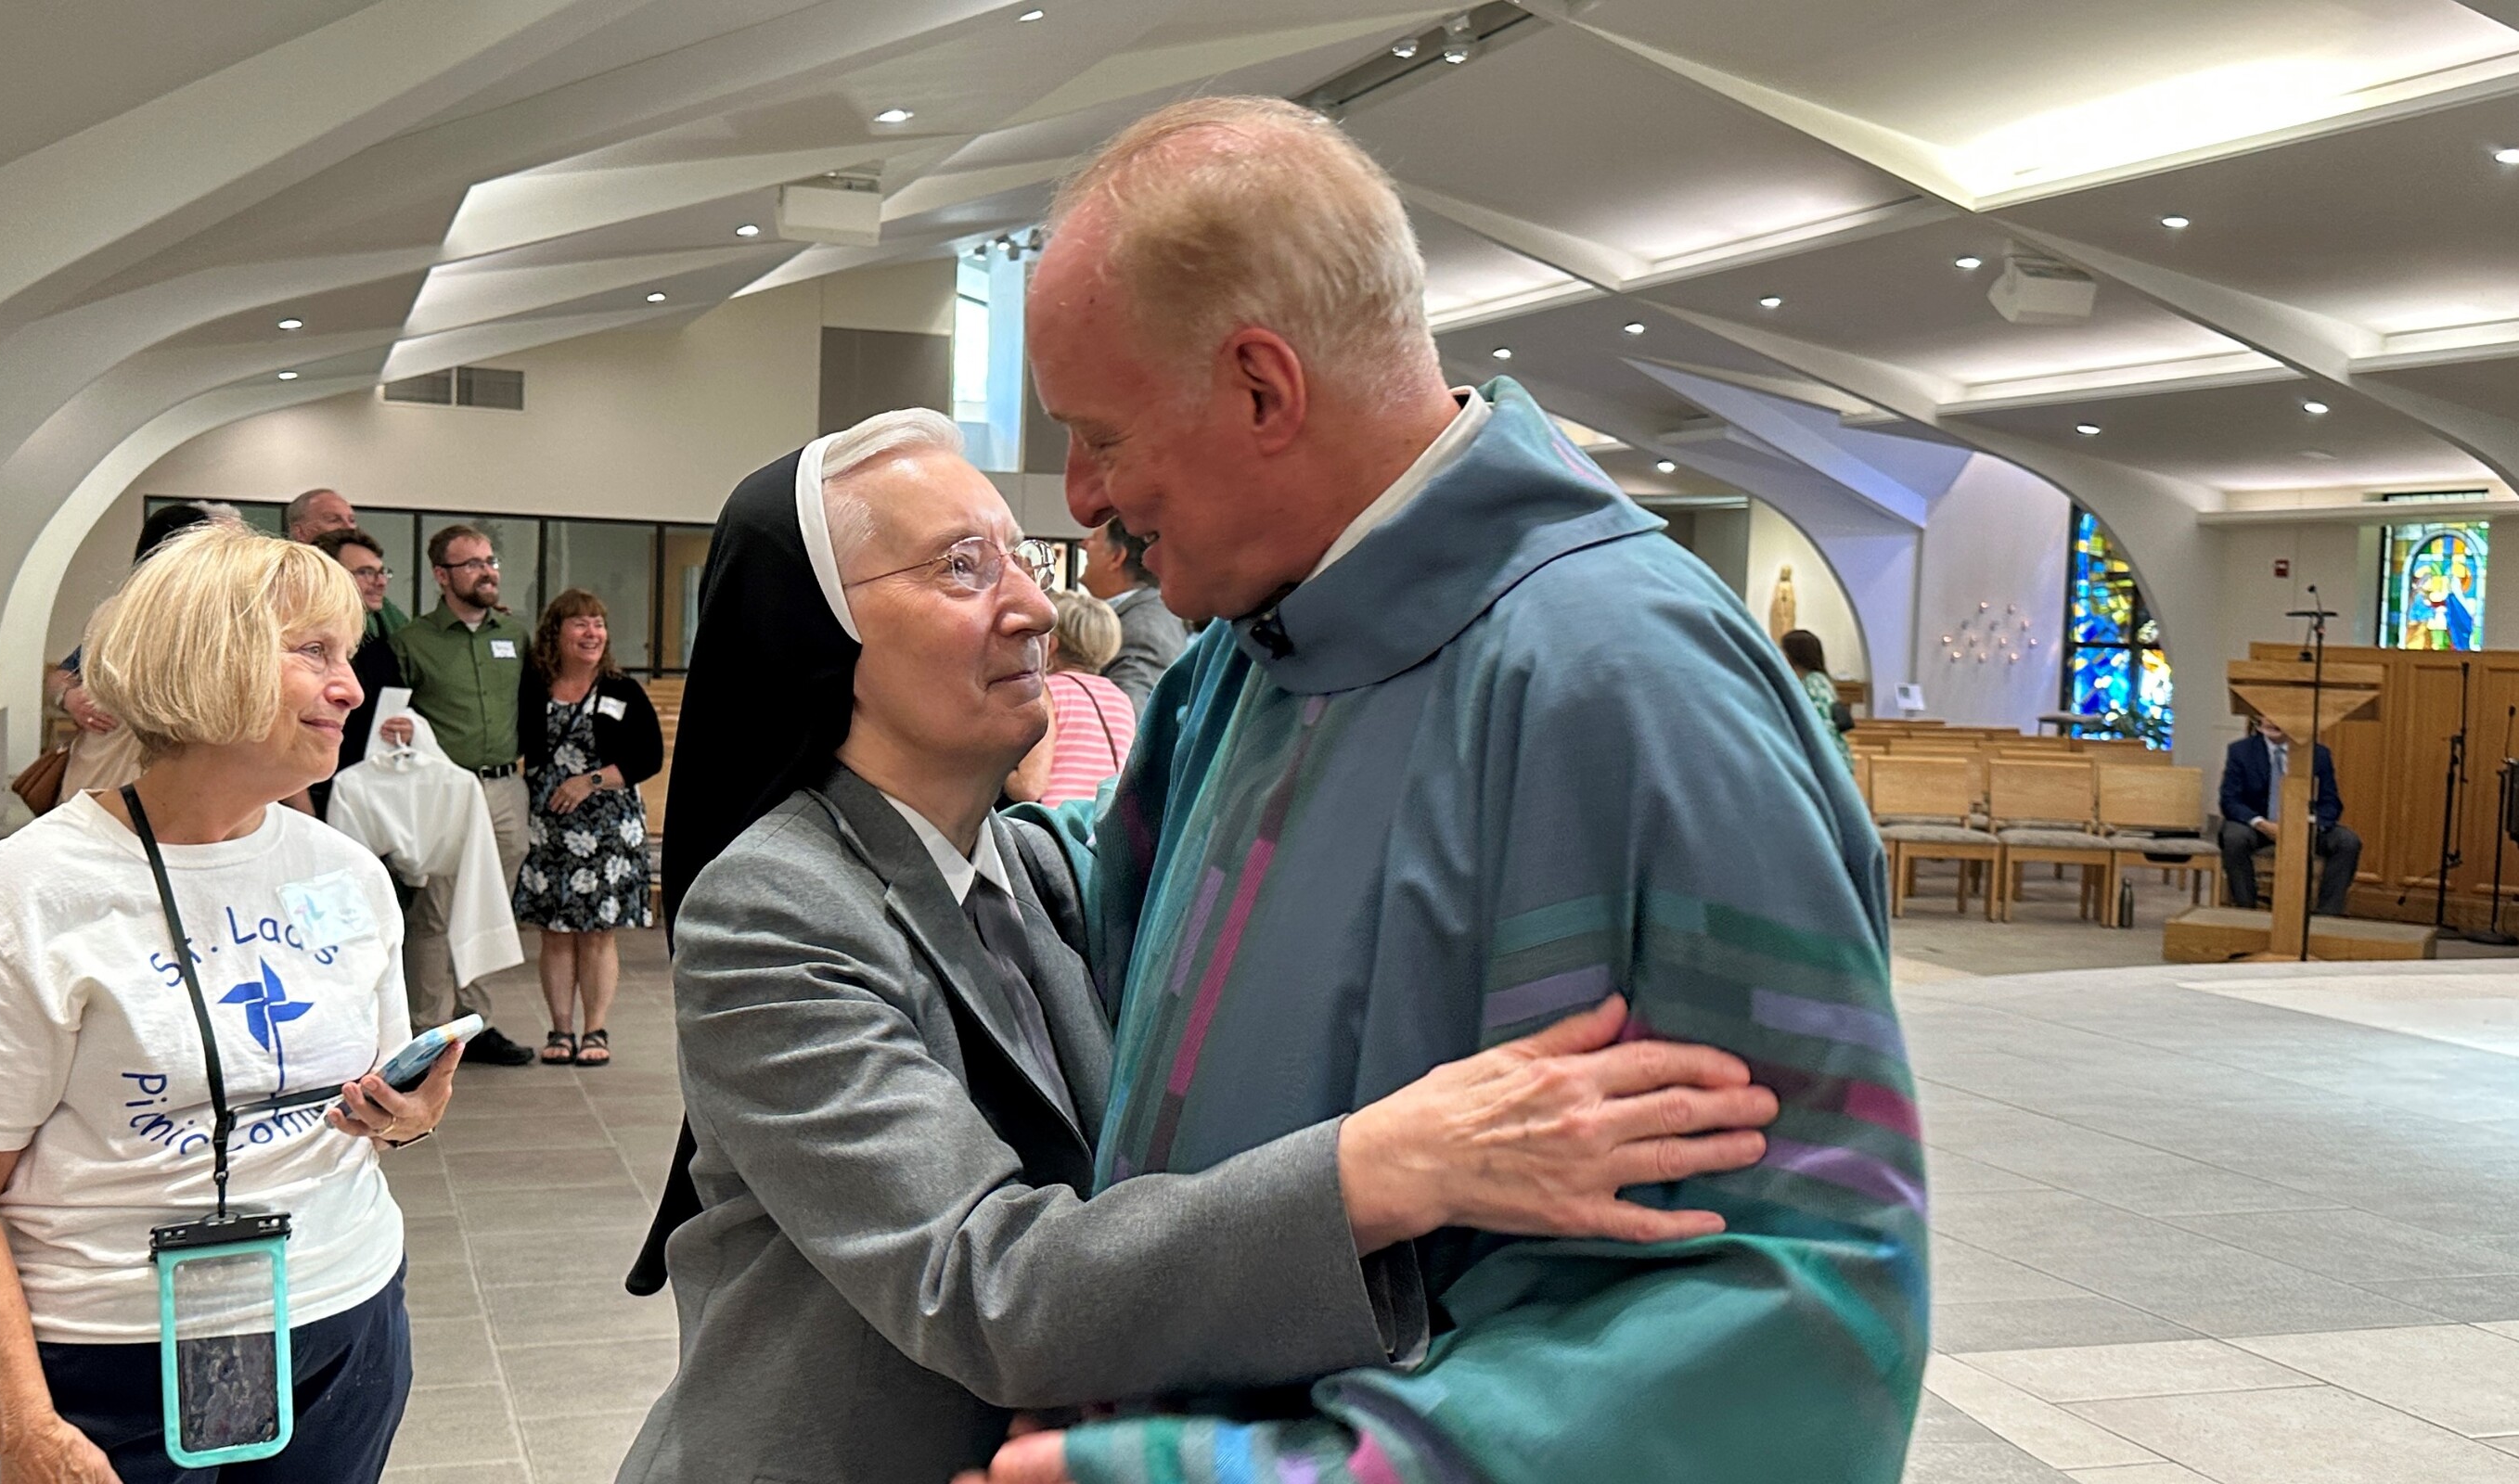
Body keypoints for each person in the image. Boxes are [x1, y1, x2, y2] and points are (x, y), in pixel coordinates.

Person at [986, 96, 1926, 1482]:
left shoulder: (1625, 681)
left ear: (1261, 388)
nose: (1080, 497)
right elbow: (1098, 916)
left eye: (1100, 435)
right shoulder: (1250, 654)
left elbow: (1789, 1309)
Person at [617, 410, 1780, 1484]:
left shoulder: (1028, 867)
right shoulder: (775, 906)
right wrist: (1391, 1165)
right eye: (960, 567)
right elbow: (985, 1284)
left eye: (1020, 558)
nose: (1031, 608)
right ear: (812, 634)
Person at [0, 523, 465, 1484]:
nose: (352, 689)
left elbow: (385, 1108)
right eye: (314, 651)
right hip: (109, 1359)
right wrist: (22, 1427)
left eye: (349, 656)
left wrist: (407, 1116)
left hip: (342, 1323)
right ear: (209, 658)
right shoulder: (42, 884)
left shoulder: (348, 874)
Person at [389, 524, 537, 1067]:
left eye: (490, 561)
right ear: (441, 575)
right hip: (443, 793)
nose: (486, 572)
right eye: (472, 563)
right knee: (435, 913)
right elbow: (391, 717)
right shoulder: (413, 641)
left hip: (504, 789)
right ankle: (428, 1033)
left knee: (488, 909)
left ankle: (475, 1024)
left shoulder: (514, 636)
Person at [512, 589, 662, 1068]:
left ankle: (595, 1029)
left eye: (598, 623)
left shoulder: (622, 689)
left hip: (608, 827)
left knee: (597, 932)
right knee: (555, 932)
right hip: (550, 826)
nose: (592, 632)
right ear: (555, 633)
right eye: (580, 623)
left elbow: (649, 757)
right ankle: (560, 1029)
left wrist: (590, 782)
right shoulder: (534, 687)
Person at [55, 501, 235, 805]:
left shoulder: (116, 610)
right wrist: (68, 697)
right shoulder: (171, 619)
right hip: (126, 777)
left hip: (104, 773)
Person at [307, 529, 414, 817]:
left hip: (369, 802)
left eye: (382, 572)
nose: (380, 582)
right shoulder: (301, 648)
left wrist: (407, 728)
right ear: (331, 575)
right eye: (366, 572)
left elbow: (394, 713)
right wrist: (303, 811)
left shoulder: (379, 650)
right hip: (314, 798)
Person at [2219, 715, 2360, 916]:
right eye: (2267, 716)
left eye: (2279, 716)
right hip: (2259, 827)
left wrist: (2305, 826)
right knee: (2234, 837)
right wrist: (2261, 824)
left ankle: (2327, 915)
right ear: (2258, 719)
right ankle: (2247, 911)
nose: (2272, 722)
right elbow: (2230, 800)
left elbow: (2330, 803)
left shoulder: (2317, 754)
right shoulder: (2241, 751)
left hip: (2304, 827)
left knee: (2348, 841)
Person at [1008, 590, 1137, 806]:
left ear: (1051, 645)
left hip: (1059, 821)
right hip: (1103, 821)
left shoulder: (1048, 692)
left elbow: (1029, 786)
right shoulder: (1121, 700)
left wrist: (996, 773)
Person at [1078, 518, 1184, 707]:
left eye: (1094, 538)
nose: (1083, 544)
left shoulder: (1144, 628)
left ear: (1117, 556)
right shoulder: (1140, 617)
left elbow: (1133, 710)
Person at [288, 491, 406, 640]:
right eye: (334, 520)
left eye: (352, 520)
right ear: (300, 532)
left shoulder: (381, 609)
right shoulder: (284, 591)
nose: (348, 528)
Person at [1781, 628, 1853, 756]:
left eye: (1782, 651)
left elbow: (1820, 726)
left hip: (1825, 756)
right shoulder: (1812, 680)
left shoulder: (1814, 683)